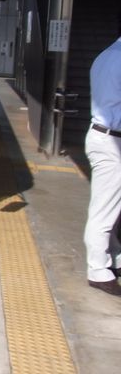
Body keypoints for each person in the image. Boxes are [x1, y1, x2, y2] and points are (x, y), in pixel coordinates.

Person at [84, 17, 121, 296]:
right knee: (105, 209)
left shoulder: (105, 55)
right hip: (111, 141)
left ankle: (112, 257)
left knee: (111, 206)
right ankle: (98, 269)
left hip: (103, 135)